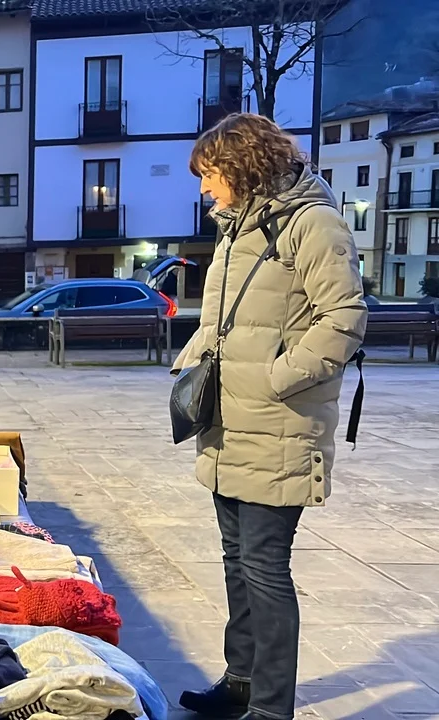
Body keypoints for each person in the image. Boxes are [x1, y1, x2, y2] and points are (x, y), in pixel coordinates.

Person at [174, 113, 367, 720]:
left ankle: (271, 706)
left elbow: (345, 318)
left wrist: (276, 377)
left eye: (209, 174)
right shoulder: (238, 228)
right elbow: (224, 318)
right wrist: (195, 361)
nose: (204, 188)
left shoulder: (312, 222)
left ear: (241, 165)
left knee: (264, 566)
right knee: (237, 561)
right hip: (228, 421)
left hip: (278, 422)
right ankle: (240, 682)